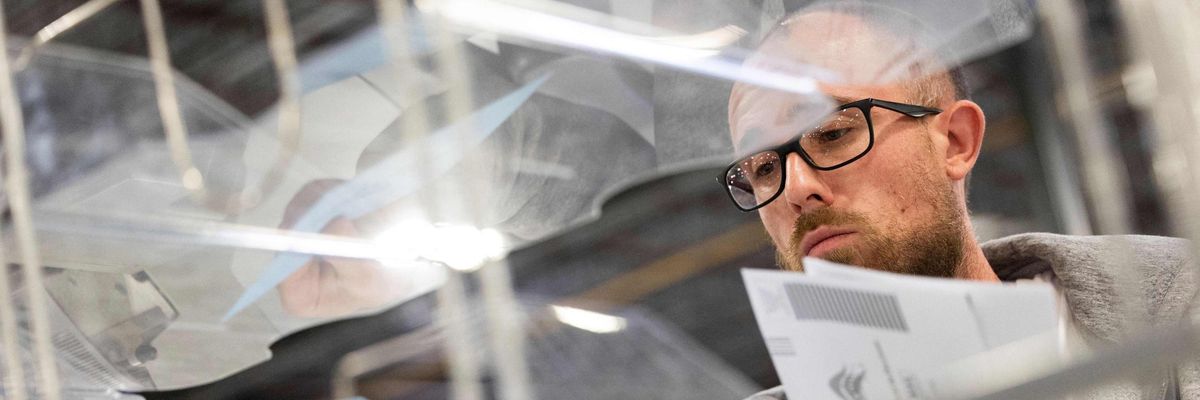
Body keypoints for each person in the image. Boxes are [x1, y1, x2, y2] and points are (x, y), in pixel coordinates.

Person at [723, 4, 1199, 399]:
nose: (795, 186)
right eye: (763, 168)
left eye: (833, 133)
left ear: (955, 141)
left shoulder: (1176, 319)